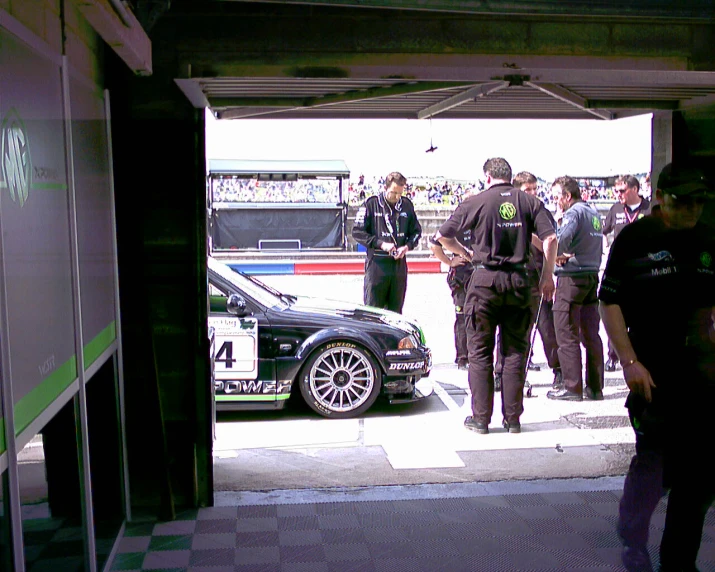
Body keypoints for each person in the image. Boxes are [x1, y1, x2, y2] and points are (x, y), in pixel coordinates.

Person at [599, 163, 715, 571]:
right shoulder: (635, 239)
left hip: (702, 375)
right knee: (654, 463)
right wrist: (629, 360)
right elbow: (609, 301)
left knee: (699, 476)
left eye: (700, 202)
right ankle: (632, 535)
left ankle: (678, 562)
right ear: (662, 197)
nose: (693, 210)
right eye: (685, 202)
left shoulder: (707, 237)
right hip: (652, 372)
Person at [437, 158, 557, 434]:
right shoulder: (529, 202)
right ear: (510, 177)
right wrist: (547, 276)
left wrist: (464, 253)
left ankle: (481, 419)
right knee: (515, 351)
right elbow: (550, 239)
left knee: (479, 353)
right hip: (520, 281)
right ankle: (513, 419)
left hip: (484, 281)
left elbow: (443, 236)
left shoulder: (476, 201)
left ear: (487, 177)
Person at [494, 172, 562, 391]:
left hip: (539, 276)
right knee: (508, 329)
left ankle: (558, 370)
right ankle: (500, 371)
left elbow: (549, 243)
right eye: (527, 190)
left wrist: (526, 232)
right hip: (514, 277)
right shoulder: (508, 213)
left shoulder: (540, 213)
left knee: (547, 327)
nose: (533, 193)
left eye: (534, 189)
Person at [547, 176, 604, 402]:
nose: (555, 202)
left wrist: (556, 254)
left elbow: (560, 242)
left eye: (556, 197)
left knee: (566, 332)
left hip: (572, 278)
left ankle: (572, 387)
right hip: (591, 275)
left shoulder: (573, 213)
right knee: (591, 334)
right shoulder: (593, 213)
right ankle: (595, 386)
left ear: (567, 197)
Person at [352, 171, 422, 313]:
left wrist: (407, 247)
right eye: (393, 193)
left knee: (396, 313)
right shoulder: (371, 204)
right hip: (377, 264)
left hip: (398, 266)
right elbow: (357, 232)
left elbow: (416, 232)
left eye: (400, 193)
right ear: (385, 188)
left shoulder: (407, 205)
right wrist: (380, 244)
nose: (396, 197)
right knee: (373, 312)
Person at [602, 175, 652, 372]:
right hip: (620, 269)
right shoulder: (615, 209)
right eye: (616, 191)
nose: (618, 195)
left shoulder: (648, 208)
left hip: (645, 269)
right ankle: (613, 356)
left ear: (635, 189)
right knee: (616, 313)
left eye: (622, 191)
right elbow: (604, 230)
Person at [429, 228, 473, 370]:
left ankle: (476, 356)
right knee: (462, 317)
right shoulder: (457, 222)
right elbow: (434, 242)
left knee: (480, 317)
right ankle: (463, 358)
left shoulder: (483, 215)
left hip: (481, 275)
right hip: (461, 277)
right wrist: (449, 261)